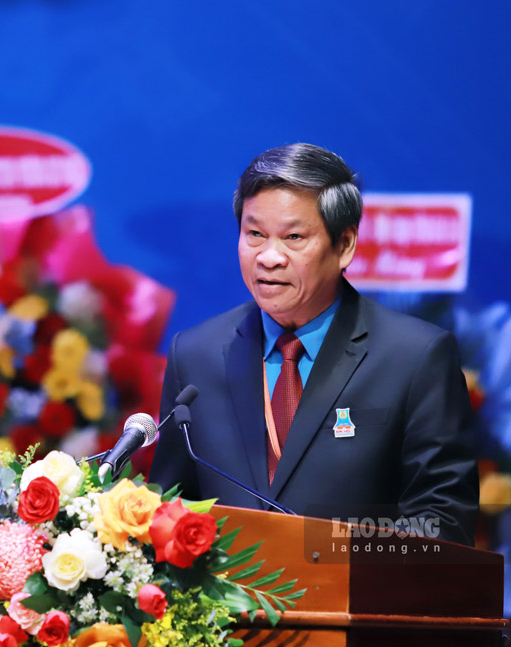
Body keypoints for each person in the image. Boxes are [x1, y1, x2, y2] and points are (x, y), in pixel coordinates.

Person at [150, 143, 478, 545]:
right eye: (254, 234)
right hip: (224, 607)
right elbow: (169, 509)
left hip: (357, 602)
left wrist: (328, 556)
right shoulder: (196, 355)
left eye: (293, 237)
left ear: (344, 246)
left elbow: (444, 522)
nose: (269, 257)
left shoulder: (414, 357)